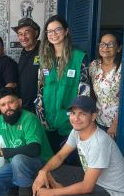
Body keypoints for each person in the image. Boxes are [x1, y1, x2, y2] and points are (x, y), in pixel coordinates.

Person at [32, 95, 124, 196]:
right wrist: (42, 172)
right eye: (73, 113)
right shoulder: (77, 131)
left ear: (93, 116)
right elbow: (60, 156)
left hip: (113, 195)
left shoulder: (99, 143)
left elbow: (86, 186)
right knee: (51, 171)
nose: (76, 118)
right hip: (95, 181)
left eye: (82, 114)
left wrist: (52, 192)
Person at [35, 15, 91, 162]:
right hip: (48, 124)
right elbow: (40, 90)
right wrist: (41, 118)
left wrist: (79, 120)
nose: (53, 34)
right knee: (48, 163)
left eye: (57, 29)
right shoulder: (44, 59)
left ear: (66, 31)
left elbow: (84, 93)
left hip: (71, 124)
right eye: (49, 31)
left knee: (69, 165)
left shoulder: (79, 57)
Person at [89, 31, 122, 138]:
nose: (105, 47)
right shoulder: (94, 65)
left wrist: (115, 124)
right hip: (97, 120)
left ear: (118, 48)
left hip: (116, 123)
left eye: (110, 44)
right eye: (102, 44)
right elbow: (89, 90)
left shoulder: (123, 67)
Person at [11, 18, 41, 113]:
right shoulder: (24, 53)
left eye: (27, 33)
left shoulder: (44, 51)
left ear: (35, 33)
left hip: (41, 107)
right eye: (20, 34)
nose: (23, 37)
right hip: (25, 106)